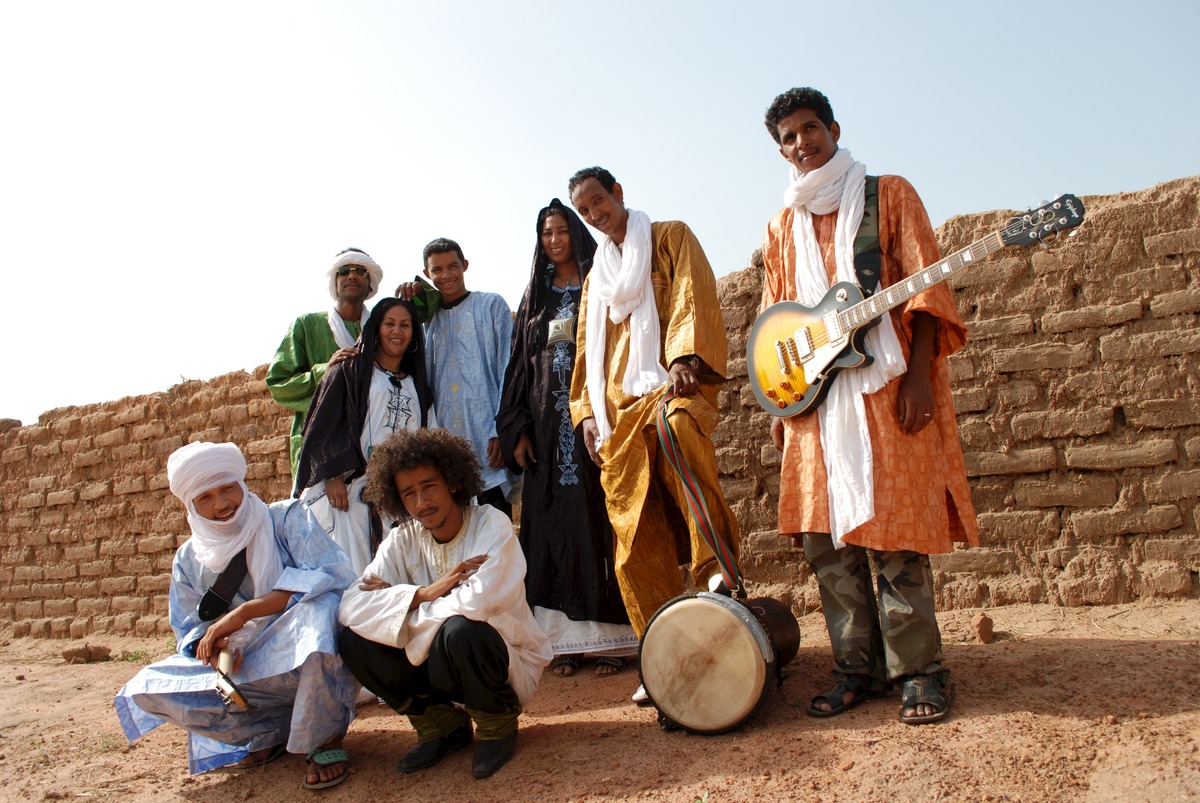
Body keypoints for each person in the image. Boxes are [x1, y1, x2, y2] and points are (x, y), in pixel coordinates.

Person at [758, 87, 979, 725]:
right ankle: (857, 669)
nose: (803, 144)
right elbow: (777, 319)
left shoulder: (888, 194)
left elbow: (926, 283)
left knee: (896, 534)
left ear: (832, 127)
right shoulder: (780, 226)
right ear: (782, 151)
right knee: (828, 544)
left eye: (810, 128)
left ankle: (919, 673)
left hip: (883, 384)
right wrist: (782, 404)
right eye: (790, 138)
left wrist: (918, 376)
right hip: (812, 404)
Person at [566, 167, 739, 702]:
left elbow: (691, 295)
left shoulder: (669, 237)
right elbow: (582, 356)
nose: (595, 215)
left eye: (599, 201)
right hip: (618, 412)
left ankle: (718, 576)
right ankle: (661, 647)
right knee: (631, 536)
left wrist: (685, 355)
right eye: (585, 211)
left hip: (669, 387)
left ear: (617, 194)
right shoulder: (595, 280)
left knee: (678, 431)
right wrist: (588, 415)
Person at [113, 442, 358, 788]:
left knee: (323, 612)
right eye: (206, 497)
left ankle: (323, 738)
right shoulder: (188, 560)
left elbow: (331, 575)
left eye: (228, 489)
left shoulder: (286, 518)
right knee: (147, 687)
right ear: (191, 506)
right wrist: (218, 644)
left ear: (242, 485)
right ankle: (265, 735)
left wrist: (242, 614)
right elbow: (189, 628)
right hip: (244, 668)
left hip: (298, 652)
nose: (222, 504)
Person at [337, 428, 551, 779]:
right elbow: (350, 606)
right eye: (409, 493)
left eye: (429, 485)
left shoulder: (489, 525)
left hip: (502, 663)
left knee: (461, 630)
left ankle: (496, 725)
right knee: (353, 639)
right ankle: (441, 726)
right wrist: (422, 593)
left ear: (452, 481)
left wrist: (399, 611)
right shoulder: (401, 540)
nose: (421, 502)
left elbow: (477, 603)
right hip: (434, 664)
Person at [496, 199, 637, 678]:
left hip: (595, 422)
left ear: (575, 232)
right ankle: (565, 642)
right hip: (545, 431)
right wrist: (515, 426)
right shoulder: (535, 295)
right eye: (546, 233)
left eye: (561, 230)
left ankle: (617, 638)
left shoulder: (603, 280)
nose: (554, 240)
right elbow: (517, 365)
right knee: (550, 527)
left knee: (602, 521)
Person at [294, 297, 435, 575]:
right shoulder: (350, 369)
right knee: (348, 573)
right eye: (390, 324)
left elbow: (427, 436)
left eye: (405, 325)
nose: (397, 331)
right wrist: (332, 475)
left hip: (395, 493)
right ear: (376, 329)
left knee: (393, 573)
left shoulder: (416, 385)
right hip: (346, 491)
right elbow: (323, 425)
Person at [396, 239, 517, 516]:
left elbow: (508, 368)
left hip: (488, 442)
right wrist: (408, 301)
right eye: (437, 270)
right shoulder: (428, 323)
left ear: (465, 265)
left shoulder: (491, 306)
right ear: (427, 275)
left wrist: (499, 429)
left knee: (494, 532)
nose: (446, 275)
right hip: (447, 450)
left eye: (453, 266)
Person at [267, 248, 384, 477]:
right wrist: (325, 371)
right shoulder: (307, 325)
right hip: (320, 449)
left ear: (371, 283)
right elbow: (279, 384)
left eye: (360, 271)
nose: (352, 276)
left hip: (373, 443)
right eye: (344, 271)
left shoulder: (381, 329)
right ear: (335, 280)